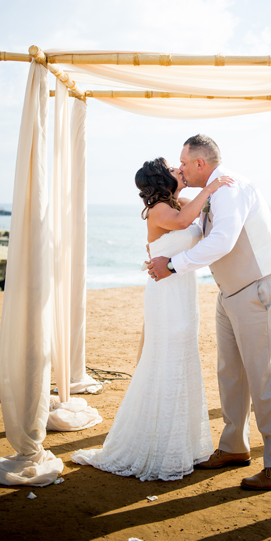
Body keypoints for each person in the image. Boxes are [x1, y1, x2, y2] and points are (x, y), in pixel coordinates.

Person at [147, 135, 271, 491]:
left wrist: (173, 264)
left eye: (183, 163)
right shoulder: (210, 193)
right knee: (230, 373)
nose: (180, 169)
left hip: (258, 291)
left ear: (200, 164)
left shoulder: (231, 189)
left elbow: (222, 241)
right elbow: (189, 228)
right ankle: (234, 447)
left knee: (264, 378)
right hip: (230, 293)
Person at [71, 158, 232, 481]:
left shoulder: (181, 202)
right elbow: (185, 220)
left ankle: (180, 444)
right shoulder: (160, 209)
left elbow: (196, 219)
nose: (180, 170)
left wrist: (211, 193)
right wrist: (212, 186)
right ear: (162, 180)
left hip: (183, 293)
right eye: (174, 169)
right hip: (165, 297)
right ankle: (157, 447)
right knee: (166, 360)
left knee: (183, 360)